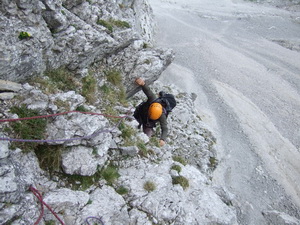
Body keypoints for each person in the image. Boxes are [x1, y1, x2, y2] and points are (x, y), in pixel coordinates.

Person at [135, 78, 168, 147]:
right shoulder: (152, 100)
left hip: (148, 123)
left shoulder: (162, 116)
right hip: (139, 114)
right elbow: (148, 91)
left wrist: (162, 139)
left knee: (147, 138)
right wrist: (142, 84)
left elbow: (164, 128)